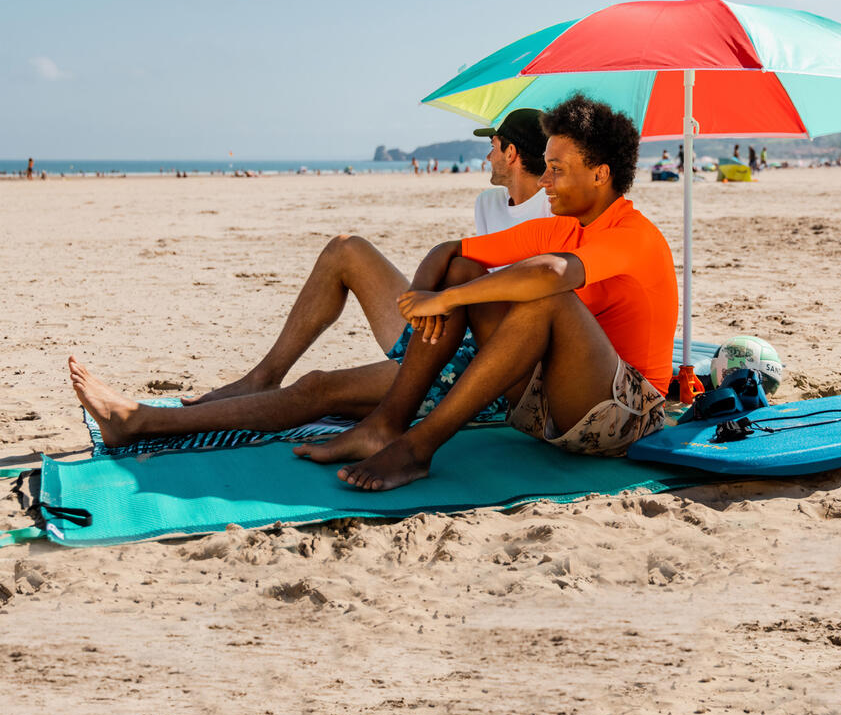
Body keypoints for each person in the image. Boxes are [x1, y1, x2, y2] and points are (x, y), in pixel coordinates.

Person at [68, 110, 552, 443]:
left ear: (511, 153)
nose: (486, 156)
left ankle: (137, 422)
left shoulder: (554, 215)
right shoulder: (489, 203)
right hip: (444, 334)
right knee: (347, 250)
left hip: (482, 371)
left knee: (318, 389)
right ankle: (262, 377)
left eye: (492, 146)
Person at [290, 93, 678, 492]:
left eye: (556, 170)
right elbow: (451, 251)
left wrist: (446, 300)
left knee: (547, 296)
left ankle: (418, 448)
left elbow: (550, 273)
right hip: (550, 406)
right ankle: (387, 423)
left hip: (628, 415)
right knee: (463, 270)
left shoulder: (633, 235)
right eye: (545, 168)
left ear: (600, 174)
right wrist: (420, 301)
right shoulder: (567, 227)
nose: (545, 181)